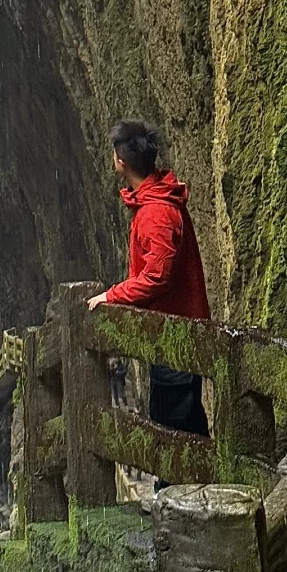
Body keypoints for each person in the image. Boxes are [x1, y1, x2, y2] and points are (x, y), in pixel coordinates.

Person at [86, 118, 210, 443]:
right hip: (173, 331)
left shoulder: (156, 213)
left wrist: (111, 295)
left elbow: (156, 277)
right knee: (183, 424)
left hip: (175, 335)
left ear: (120, 161)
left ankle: (186, 477)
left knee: (174, 429)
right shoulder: (155, 202)